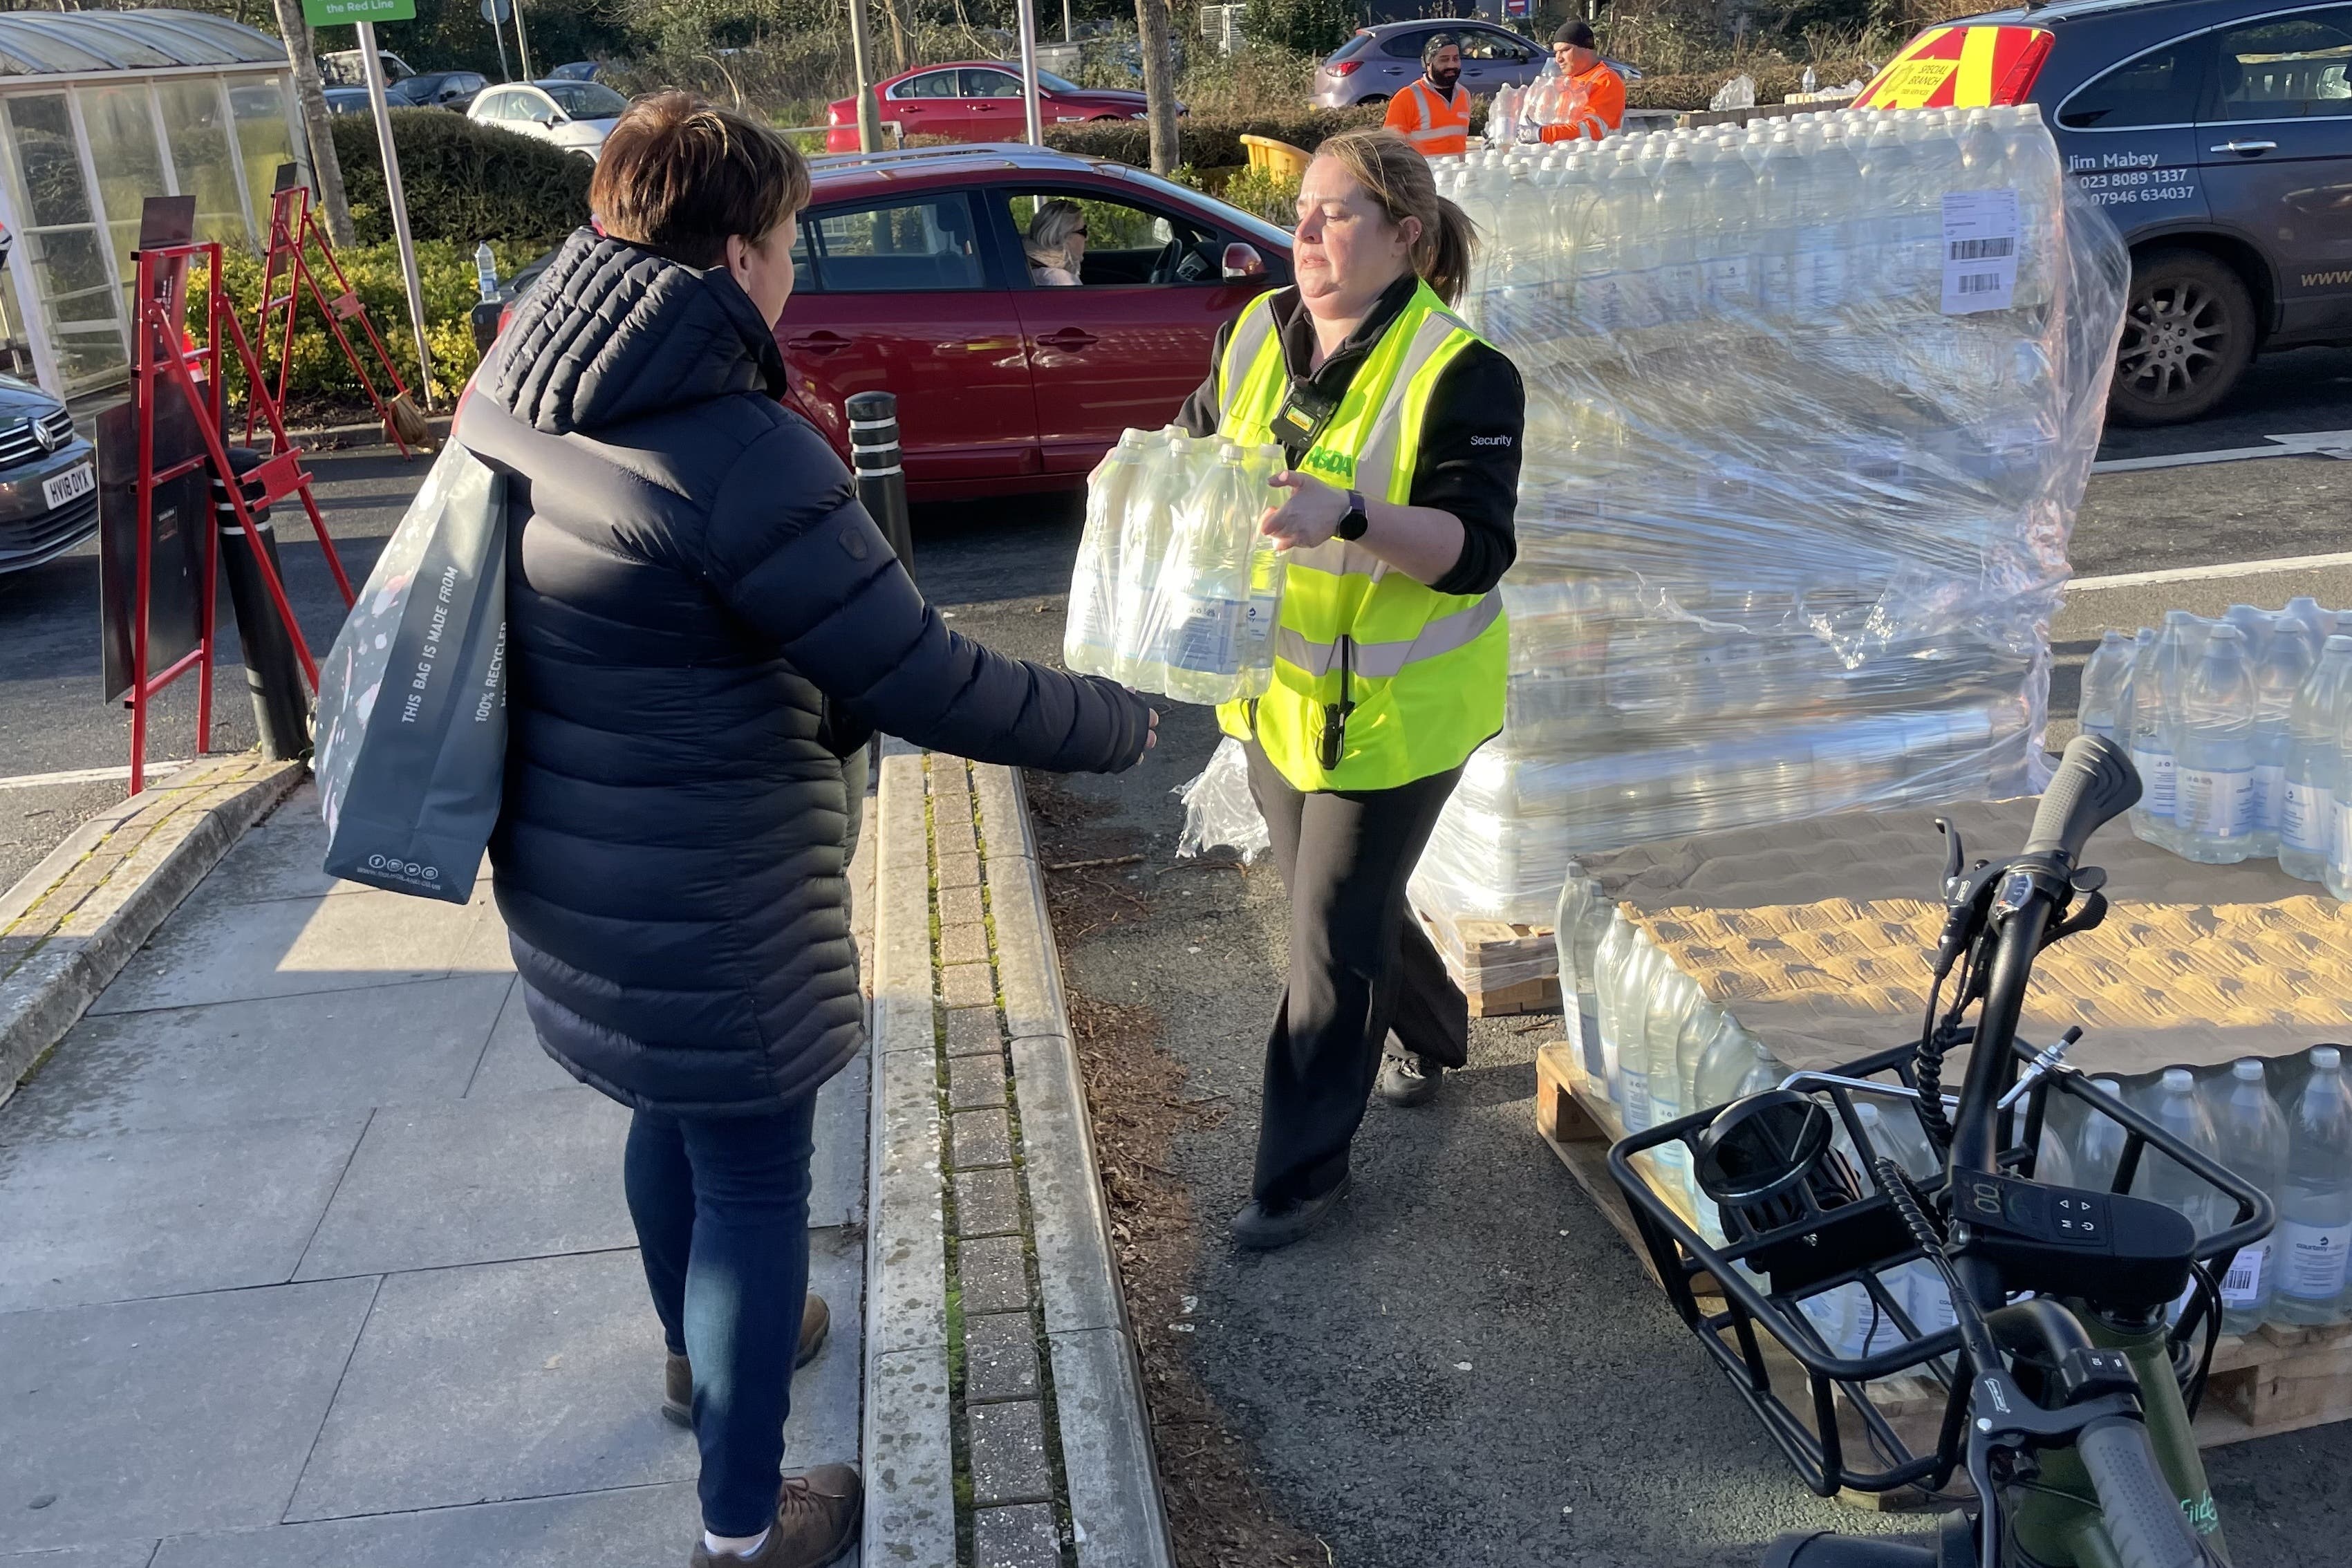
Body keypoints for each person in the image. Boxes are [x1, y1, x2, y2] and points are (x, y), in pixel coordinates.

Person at [454, 93, 1155, 1568]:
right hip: (712, 885)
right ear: (732, 258)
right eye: (786, 241)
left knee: (674, 1117)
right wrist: (1113, 720)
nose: (792, 269)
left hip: (580, 858)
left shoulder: (528, 372)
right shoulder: (737, 449)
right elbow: (916, 672)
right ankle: (745, 1520)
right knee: (758, 1181)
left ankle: (691, 1358)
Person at [1171, 128, 1524, 1251]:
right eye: (1302, 210)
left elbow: (1474, 550)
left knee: (1327, 931)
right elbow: (1195, 442)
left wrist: (1354, 516)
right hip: (1281, 702)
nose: (1306, 232)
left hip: (1395, 718)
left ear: (1405, 238)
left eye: (1336, 213)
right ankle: (1435, 1029)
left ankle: (1299, 1179)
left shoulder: (1462, 372)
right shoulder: (1253, 334)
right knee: (1345, 907)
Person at [1382, 32, 1471, 158]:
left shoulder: (1464, 95)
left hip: (1456, 174)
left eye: (1456, 59)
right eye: (1444, 59)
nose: (1452, 65)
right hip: (1422, 175)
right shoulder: (1406, 97)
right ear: (1428, 64)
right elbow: (1390, 148)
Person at [1540, 21, 1625, 142]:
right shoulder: (1565, 81)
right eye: (1556, 52)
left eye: (1565, 50)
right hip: (1565, 155)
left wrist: (1542, 134)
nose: (1558, 59)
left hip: (1595, 157)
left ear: (1586, 49)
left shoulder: (1605, 80)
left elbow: (1593, 130)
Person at [1027, 198, 1086, 285]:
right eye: (1083, 232)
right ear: (1063, 237)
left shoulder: (1031, 269)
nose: (1087, 238)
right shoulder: (1060, 280)